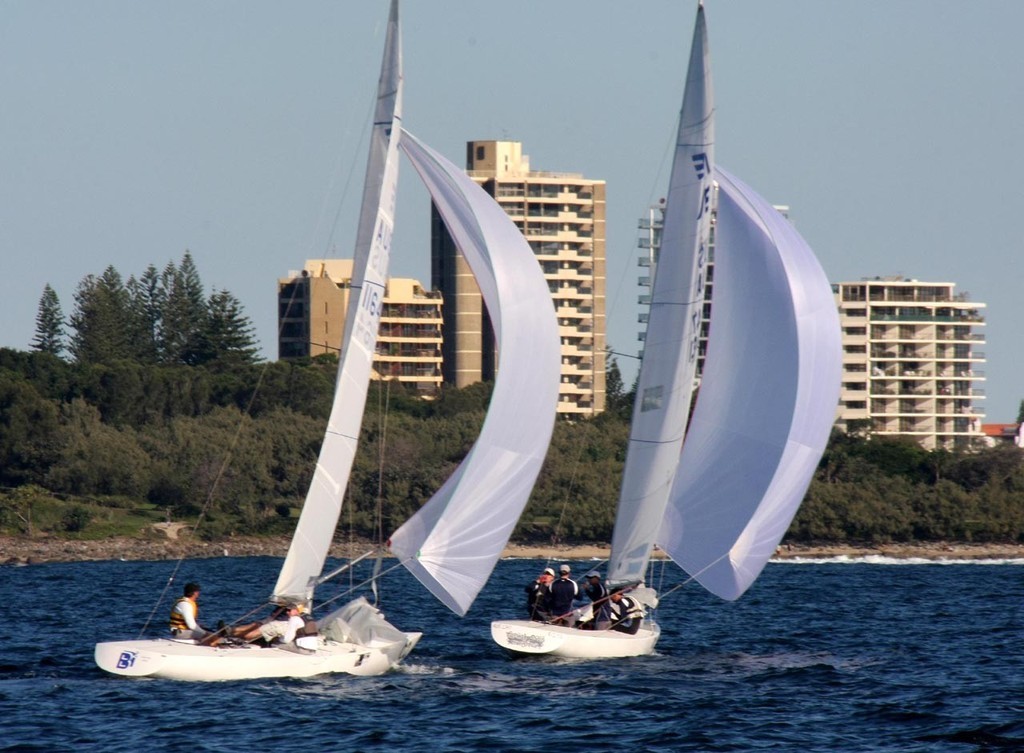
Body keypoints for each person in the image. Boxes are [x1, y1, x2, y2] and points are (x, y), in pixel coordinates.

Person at [238, 604, 307, 646]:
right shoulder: (298, 607)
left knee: (252, 632)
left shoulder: (296, 606)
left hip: (279, 622)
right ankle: (232, 635)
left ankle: (235, 637)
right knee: (253, 627)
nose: (287, 612)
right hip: (277, 622)